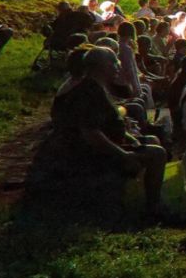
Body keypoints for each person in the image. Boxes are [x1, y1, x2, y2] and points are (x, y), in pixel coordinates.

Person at [35, 46, 168, 219]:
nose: (118, 67)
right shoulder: (90, 93)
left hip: (101, 147)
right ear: (102, 66)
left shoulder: (95, 87)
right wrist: (124, 154)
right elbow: (91, 134)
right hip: (89, 155)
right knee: (158, 153)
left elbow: (106, 124)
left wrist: (130, 138)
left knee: (151, 139)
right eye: (114, 63)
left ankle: (142, 193)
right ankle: (153, 206)